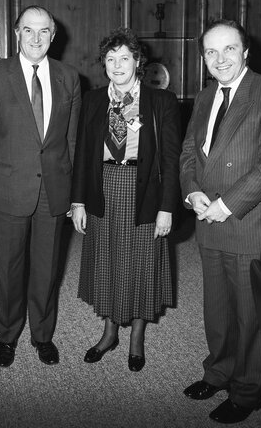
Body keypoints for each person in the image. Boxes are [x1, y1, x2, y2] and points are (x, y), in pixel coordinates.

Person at [179, 19, 261, 424]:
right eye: (211, 52)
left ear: (246, 51)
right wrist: (192, 190)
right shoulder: (204, 95)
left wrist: (226, 204)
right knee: (218, 308)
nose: (220, 59)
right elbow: (190, 152)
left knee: (250, 313)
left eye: (229, 49)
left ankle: (247, 392)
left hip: (250, 219)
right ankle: (219, 372)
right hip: (206, 217)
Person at [0, 5, 81, 367]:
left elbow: (73, 142)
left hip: (53, 190)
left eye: (43, 31)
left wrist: (76, 196)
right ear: (16, 33)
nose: (36, 38)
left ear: (53, 35)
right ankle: (7, 336)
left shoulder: (69, 77)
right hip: (8, 189)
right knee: (11, 270)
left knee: (47, 269)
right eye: (28, 30)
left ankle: (42, 335)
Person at [71, 27, 181, 372]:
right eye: (110, 58)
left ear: (138, 61)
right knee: (107, 261)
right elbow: (82, 155)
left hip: (144, 189)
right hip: (103, 186)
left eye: (124, 58)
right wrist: (77, 202)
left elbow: (171, 160)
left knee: (140, 264)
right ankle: (108, 333)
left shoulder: (162, 102)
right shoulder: (92, 100)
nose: (116, 65)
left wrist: (166, 208)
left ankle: (135, 337)